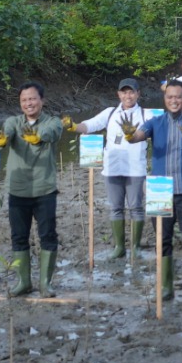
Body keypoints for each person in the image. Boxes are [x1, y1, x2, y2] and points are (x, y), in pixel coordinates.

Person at [121, 81, 182, 304]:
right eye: (170, 97)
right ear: (165, 99)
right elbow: (138, 136)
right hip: (160, 190)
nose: (174, 100)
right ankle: (165, 286)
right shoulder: (155, 122)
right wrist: (129, 135)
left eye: (178, 96)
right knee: (162, 238)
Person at [0, 82, 65, 298]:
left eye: (32, 98)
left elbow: (52, 132)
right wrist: (2, 141)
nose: (28, 103)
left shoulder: (52, 122)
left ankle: (45, 284)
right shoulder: (13, 122)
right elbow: (6, 134)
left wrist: (38, 136)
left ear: (42, 100)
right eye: (24, 100)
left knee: (48, 235)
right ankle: (23, 282)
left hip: (44, 190)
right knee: (19, 237)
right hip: (18, 190)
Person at [75, 78, 148, 261]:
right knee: (116, 208)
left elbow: (160, 129)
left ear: (138, 94)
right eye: (124, 92)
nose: (128, 96)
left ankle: (136, 248)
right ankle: (119, 247)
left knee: (136, 208)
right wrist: (73, 126)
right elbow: (90, 125)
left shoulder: (146, 114)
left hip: (135, 168)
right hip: (112, 168)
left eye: (131, 92)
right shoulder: (110, 113)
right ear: (118, 94)